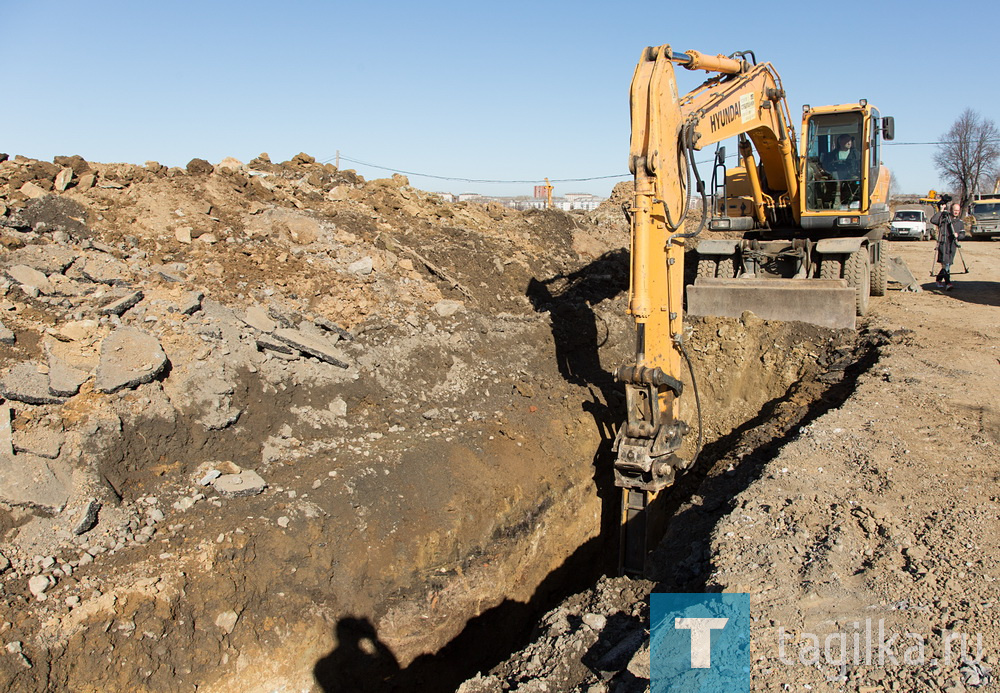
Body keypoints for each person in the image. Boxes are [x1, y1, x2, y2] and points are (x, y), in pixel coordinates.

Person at [930, 201, 965, 289]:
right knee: (945, 264)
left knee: (948, 264)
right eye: (955, 210)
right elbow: (933, 220)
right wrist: (941, 211)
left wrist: (958, 235)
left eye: (958, 210)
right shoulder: (944, 220)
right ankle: (948, 283)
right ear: (951, 210)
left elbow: (963, 235)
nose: (956, 212)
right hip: (944, 244)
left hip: (952, 246)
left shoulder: (960, 222)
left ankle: (938, 280)